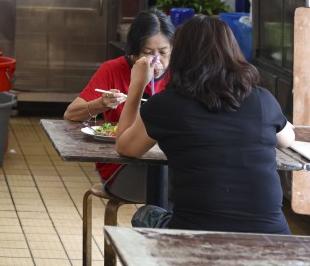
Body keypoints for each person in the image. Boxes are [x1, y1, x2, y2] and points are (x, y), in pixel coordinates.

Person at [116, 15, 295, 233]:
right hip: (272, 238)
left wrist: (136, 85)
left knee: (145, 214)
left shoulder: (166, 105)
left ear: (180, 56)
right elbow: (287, 140)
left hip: (196, 236)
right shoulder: (262, 99)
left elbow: (125, 147)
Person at [63, 9, 173, 202]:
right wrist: (101, 103)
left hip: (169, 165)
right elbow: (70, 114)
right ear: (133, 54)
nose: (157, 61)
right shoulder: (113, 69)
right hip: (122, 169)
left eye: (163, 53)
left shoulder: (180, 74)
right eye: (148, 53)